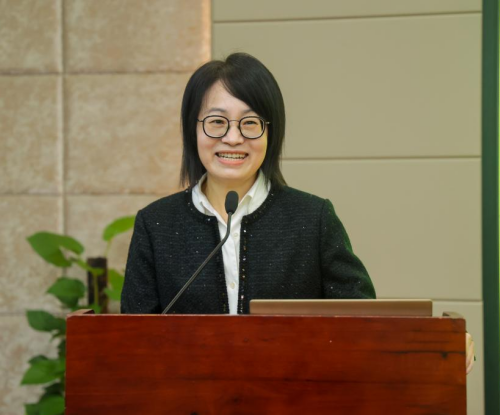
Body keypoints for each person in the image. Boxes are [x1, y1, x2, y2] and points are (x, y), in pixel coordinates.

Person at [120, 53, 474, 372]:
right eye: (216, 122)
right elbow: (130, 342)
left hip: (295, 402)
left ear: (270, 133)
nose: (233, 138)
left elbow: (365, 321)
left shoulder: (312, 218)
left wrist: (438, 343)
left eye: (250, 123)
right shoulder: (156, 224)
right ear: (192, 128)